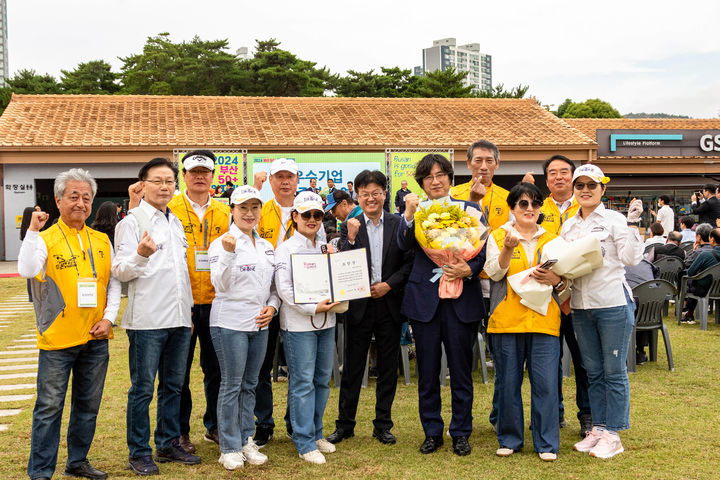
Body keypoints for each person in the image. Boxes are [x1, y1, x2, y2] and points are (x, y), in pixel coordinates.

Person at [18, 169, 120, 480]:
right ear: (58, 199)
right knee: (49, 409)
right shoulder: (44, 239)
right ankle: (40, 471)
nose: (80, 203)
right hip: (58, 339)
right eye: (73, 196)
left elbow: (113, 283)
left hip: (94, 337)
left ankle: (77, 461)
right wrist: (32, 232)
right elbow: (26, 269)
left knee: (88, 406)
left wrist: (109, 318)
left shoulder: (101, 240)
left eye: (86, 198)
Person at [112, 158, 200, 475]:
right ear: (143, 184)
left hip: (178, 320)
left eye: (169, 181)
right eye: (157, 180)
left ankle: (167, 444)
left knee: (174, 386)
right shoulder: (132, 222)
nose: (164, 186)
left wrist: (188, 312)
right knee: (142, 390)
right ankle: (139, 452)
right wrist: (140, 254)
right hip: (147, 322)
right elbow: (120, 271)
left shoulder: (174, 221)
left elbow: (180, 275)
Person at [398, 154, 487, 456]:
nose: (435, 181)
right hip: (425, 302)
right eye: (428, 177)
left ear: (450, 177)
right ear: (421, 183)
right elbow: (402, 246)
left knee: (462, 371)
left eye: (440, 175)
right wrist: (409, 217)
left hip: (462, 299)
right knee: (427, 370)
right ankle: (432, 432)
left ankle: (461, 431)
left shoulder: (471, 209)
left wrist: (469, 269)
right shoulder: (415, 211)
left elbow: (482, 252)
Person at [561, 164, 643, 459]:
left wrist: (632, 225)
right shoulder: (569, 225)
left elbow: (631, 259)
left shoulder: (614, 219)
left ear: (603, 189)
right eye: (580, 185)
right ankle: (597, 427)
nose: (585, 190)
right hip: (582, 306)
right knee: (592, 371)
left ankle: (614, 434)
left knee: (613, 371)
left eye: (591, 185)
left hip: (612, 303)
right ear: (574, 190)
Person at [327, 170, 413, 446]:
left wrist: (389, 284)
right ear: (358, 197)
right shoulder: (349, 225)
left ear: (384, 195)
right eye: (365, 194)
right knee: (352, 367)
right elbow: (344, 267)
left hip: (389, 304)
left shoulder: (398, 223)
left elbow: (408, 263)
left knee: (388, 367)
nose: (371, 198)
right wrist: (350, 240)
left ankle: (383, 425)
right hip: (359, 307)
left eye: (376, 192)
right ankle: (345, 425)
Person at [485, 182, 565, 462]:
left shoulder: (554, 239)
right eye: (523, 204)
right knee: (508, 382)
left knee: (545, 384)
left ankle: (546, 443)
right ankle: (509, 439)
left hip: (544, 320)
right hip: (507, 320)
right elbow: (493, 274)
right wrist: (507, 249)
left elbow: (566, 280)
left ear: (541, 208)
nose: (529, 209)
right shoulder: (497, 236)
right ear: (513, 208)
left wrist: (557, 280)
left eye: (535, 204)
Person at [208, 186, 279, 470]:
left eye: (254, 208)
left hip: (259, 324)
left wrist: (272, 308)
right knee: (232, 385)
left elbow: (273, 288)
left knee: (250, 384)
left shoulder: (265, 246)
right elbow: (220, 285)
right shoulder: (221, 242)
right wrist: (227, 254)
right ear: (232, 211)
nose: (249, 214)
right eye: (243, 208)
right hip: (229, 323)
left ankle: (245, 439)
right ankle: (228, 446)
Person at [166, 150, 230, 452]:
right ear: (184, 175)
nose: (200, 176)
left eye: (206, 171)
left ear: (213, 176)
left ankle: (215, 425)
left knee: (216, 369)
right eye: (194, 172)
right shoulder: (170, 208)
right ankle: (179, 431)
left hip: (217, 301)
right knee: (178, 370)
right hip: (183, 301)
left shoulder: (225, 212)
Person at [274, 191, 339, 464]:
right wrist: (313, 307)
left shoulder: (326, 247)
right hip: (299, 324)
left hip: (328, 321)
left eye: (317, 215)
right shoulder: (285, 248)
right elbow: (284, 290)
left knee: (322, 379)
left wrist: (338, 263)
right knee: (302, 382)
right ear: (295, 217)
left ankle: (316, 432)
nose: (312, 220)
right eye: (306, 215)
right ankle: (303, 439)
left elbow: (340, 281)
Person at [532, 154, 592, 438]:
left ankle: (588, 415)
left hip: (578, 297)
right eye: (553, 173)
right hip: (543, 296)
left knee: (583, 359)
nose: (559, 177)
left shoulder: (585, 207)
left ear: (573, 176)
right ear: (546, 180)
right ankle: (551, 414)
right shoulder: (536, 208)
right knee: (546, 360)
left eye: (564, 172)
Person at [253, 157, 307, 446]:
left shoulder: (310, 212)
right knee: (261, 366)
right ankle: (264, 423)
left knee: (298, 366)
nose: (285, 181)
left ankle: (293, 421)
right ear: (271, 181)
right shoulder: (259, 212)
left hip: (300, 298)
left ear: (297, 180)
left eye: (290, 176)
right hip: (264, 298)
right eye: (279, 176)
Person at [680, 228, 720, 325]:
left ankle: (689, 314)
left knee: (690, 281)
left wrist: (694, 251)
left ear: (712, 239)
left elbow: (690, 272)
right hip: (718, 288)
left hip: (704, 290)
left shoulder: (705, 254)